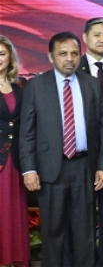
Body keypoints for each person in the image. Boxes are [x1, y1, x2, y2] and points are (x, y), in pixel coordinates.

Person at [19, 32, 103, 267]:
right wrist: (29, 169)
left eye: (74, 54)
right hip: (50, 169)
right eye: (63, 54)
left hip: (84, 167)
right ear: (51, 57)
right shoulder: (36, 85)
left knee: (85, 232)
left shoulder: (91, 84)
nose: (69, 59)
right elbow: (27, 131)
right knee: (53, 232)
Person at [76, 17, 103, 267]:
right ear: (85, 38)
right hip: (80, 157)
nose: (102, 39)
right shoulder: (72, 67)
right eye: (97, 34)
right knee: (80, 219)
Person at [0, 36, 29, 267]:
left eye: (2, 53)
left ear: (10, 57)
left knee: (12, 212)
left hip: (17, 161)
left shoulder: (20, 86)